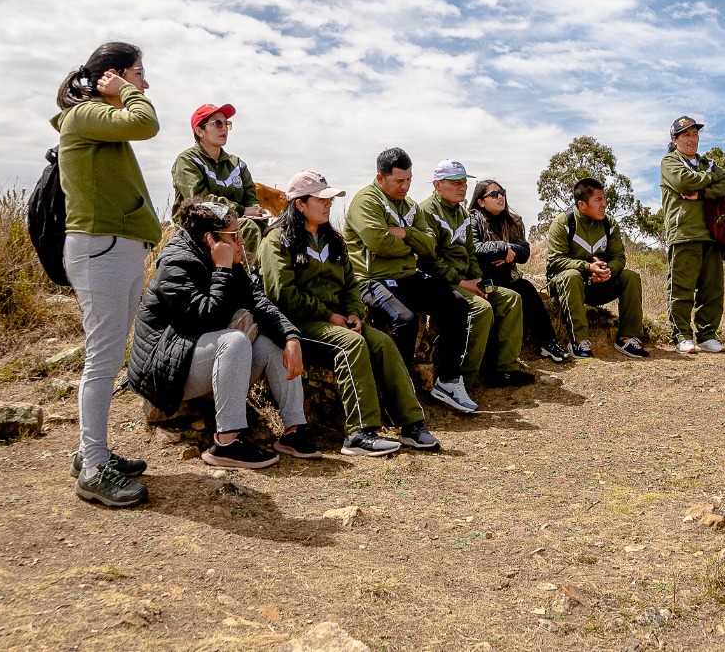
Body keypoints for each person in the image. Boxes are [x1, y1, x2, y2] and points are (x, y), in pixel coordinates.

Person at [259, 170, 440, 455]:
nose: (329, 204)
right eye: (321, 199)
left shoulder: (333, 239)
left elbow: (350, 285)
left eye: (330, 198)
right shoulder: (277, 241)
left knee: (383, 343)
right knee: (352, 345)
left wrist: (355, 313)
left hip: (338, 321)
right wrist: (329, 315)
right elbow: (282, 294)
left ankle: (411, 424)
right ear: (300, 204)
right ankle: (359, 433)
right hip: (298, 324)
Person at [129, 199, 318, 469]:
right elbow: (206, 319)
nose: (242, 241)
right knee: (235, 340)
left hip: (199, 359)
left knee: (273, 342)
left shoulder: (226, 258)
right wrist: (222, 270)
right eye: (234, 236)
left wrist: (290, 336)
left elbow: (259, 303)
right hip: (165, 372)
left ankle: (293, 431)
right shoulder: (175, 265)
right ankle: (226, 443)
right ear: (210, 239)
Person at [53, 42, 159, 508]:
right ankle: (94, 468)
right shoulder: (86, 116)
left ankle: (91, 454)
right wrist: (124, 93)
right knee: (101, 359)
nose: (145, 84)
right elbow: (146, 123)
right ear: (114, 75)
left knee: (108, 355)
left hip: (116, 246)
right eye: (139, 73)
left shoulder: (97, 122)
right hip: (102, 247)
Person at [342, 148, 479, 414]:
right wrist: (412, 243)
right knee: (404, 320)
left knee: (457, 305)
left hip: (407, 275)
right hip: (373, 279)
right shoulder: (367, 201)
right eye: (399, 181)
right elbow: (378, 243)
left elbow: (429, 245)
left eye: (409, 180)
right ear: (381, 178)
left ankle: (448, 381)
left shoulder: (410, 206)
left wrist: (403, 233)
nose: (405, 186)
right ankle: (398, 396)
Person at [419, 160, 531, 389]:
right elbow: (430, 260)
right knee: (482, 308)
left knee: (511, 298)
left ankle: (505, 369)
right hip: (444, 282)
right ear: (437, 185)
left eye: (464, 182)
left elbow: (470, 252)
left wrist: (481, 281)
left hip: (467, 280)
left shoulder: (461, 213)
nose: (462, 187)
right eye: (455, 183)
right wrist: (462, 282)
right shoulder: (426, 212)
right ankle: (464, 381)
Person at [545, 177, 650, 359]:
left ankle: (626, 338)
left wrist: (607, 271)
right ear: (582, 204)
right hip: (566, 284)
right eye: (598, 200)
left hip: (599, 282)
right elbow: (556, 260)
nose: (604, 204)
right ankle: (578, 342)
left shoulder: (609, 224)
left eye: (605, 199)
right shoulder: (563, 223)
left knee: (631, 276)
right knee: (571, 276)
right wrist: (587, 268)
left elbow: (618, 258)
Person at [469, 179, 571, 364]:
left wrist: (509, 251)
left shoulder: (512, 221)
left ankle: (549, 343)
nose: (500, 197)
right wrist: (503, 248)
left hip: (507, 278)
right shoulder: (473, 219)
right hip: (483, 280)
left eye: (502, 192)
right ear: (481, 201)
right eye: (494, 194)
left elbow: (525, 252)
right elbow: (475, 249)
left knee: (527, 290)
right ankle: (496, 362)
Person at [660, 116, 725, 354]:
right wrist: (710, 180)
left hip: (712, 233)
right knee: (681, 288)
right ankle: (681, 334)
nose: (692, 140)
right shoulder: (669, 162)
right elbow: (684, 182)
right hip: (684, 233)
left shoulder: (707, 163)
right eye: (686, 135)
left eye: (695, 134)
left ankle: (707, 334)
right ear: (675, 139)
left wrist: (702, 194)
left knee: (712, 289)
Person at [171, 103, 268, 259]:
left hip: (235, 222)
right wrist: (241, 211)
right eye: (217, 123)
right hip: (199, 225)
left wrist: (257, 210)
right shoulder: (187, 160)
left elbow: (250, 197)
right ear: (199, 131)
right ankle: (249, 277)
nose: (223, 128)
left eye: (226, 123)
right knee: (248, 228)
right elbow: (198, 200)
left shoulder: (237, 163)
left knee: (269, 230)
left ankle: (261, 278)